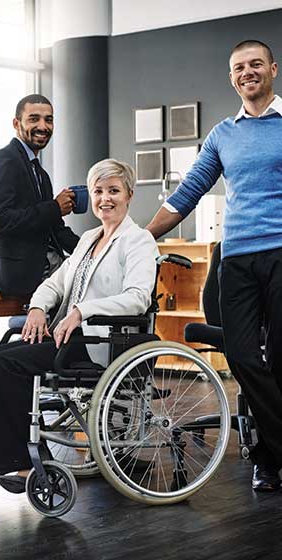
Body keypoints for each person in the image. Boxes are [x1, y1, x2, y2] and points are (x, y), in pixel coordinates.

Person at [145, 39, 282, 492]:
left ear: (273, 70)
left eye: (255, 64)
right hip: (237, 257)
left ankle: (266, 458)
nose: (248, 72)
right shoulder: (223, 133)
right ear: (232, 77)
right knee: (242, 356)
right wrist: (142, 238)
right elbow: (187, 193)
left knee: (280, 359)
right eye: (239, 67)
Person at [0, 158, 158, 493]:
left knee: (7, 364)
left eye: (114, 191)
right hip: (69, 338)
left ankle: (21, 460)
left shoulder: (139, 241)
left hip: (101, 343)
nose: (106, 198)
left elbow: (137, 298)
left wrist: (81, 311)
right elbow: (56, 283)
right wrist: (36, 308)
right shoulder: (90, 238)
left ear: (129, 195)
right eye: (98, 191)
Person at [0, 94, 80, 297]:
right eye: (34, 119)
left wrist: (94, 248)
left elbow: (54, 228)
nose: (43, 126)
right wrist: (54, 207)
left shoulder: (39, 172)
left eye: (48, 119)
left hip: (44, 269)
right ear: (16, 123)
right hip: (17, 275)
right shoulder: (4, 161)